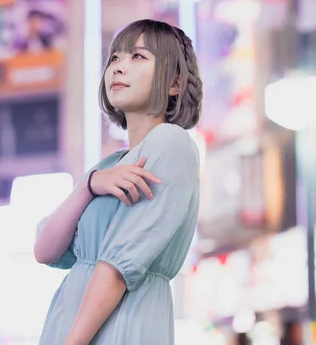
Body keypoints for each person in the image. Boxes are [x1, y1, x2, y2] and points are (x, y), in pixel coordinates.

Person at [34, 19, 203, 344]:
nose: (118, 67)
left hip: (118, 326)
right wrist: (89, 184)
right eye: (115, 58)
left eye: (138, 57)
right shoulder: (109, 167)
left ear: (175, 84)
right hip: (77, 328)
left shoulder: (171, 143)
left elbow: (118, 265)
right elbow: (45, 250)